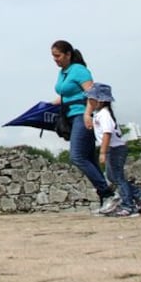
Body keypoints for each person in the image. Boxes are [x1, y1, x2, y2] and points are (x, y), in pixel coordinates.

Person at [50, 40, 117, 214]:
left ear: (68, 54)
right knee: (89, 159)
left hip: (82, 116)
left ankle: (108, 193)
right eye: (53, 56)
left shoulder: (79, 70)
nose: (55, 59)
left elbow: (92, 94)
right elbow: (65, 95)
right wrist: (45, 106)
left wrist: (88, 114)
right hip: (70, 117)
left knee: (77, 156)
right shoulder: (62, 73)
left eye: (58, 56)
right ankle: (108, 200)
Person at [85, 84, 141, 217]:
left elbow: (107, 134)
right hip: (112, 149)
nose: (89, 102)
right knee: (113, 177)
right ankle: (138, 193)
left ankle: (128, 206)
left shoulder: (104, 115)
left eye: (91, 99)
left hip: (114, 149)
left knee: (118, 178)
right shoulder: (100, 115)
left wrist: (102, 152)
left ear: (100, 100)